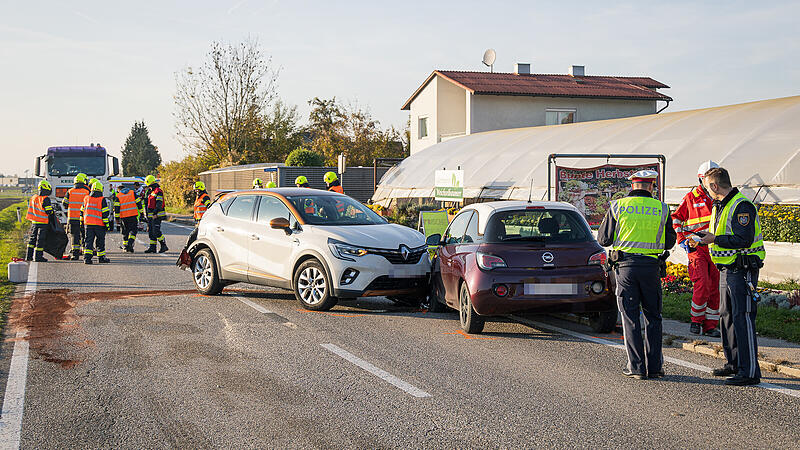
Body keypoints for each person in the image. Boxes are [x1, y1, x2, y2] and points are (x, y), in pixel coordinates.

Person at [597, 170, 676, 380]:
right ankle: (656, 367)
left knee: (630, 317)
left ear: (632, 185)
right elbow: (669, 242)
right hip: (651, 267)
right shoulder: (662, 208)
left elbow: (603, 239)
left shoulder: (618, 206)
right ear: (652, 186)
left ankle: (637, 368)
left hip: (626, 268)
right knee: (654, 317)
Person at [699, 167, 765, 386]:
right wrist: (705, 239)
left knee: (742, 317)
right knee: (726, 315)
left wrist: (714, 239)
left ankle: (750, 372)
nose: (705, 191)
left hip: (742, 269)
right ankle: (734, 363)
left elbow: (743, 239)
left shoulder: (741, 205)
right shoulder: (721, 205)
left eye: (706, 186)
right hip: (727, 269)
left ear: (714, 186)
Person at [672, 161, 721, 337]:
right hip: (697, 247)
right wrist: (682, 240)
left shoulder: (721, 196)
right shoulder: (691, 198)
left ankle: (711, 326)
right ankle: (696, 321)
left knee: (715, 286)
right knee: (702, 284)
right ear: (701, 180)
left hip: (716, 247)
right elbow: (676, 219)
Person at [81, 181, 111, 264]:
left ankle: (87, 259)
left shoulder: (86, 198)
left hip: (88, 224)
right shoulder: (102, 200)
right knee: (100, 241)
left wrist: (81, 222)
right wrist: (107, 225)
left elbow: (82, 211)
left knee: (88, 241)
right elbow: (105, 214)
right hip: (99, 225)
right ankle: (101, 258)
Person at [25, 180, 55, 262]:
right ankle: (38, 257)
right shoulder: (45, 199)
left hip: (34, 222)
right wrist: (52, 210)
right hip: (43, 223)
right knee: (40, 241)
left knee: (32, 239)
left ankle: (28, 256)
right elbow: (49, 211)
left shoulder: (33, 197)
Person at [62, 173, 90, 260]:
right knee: (85, 235)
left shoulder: (70, 191)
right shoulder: (86, 192)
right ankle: (86, 254)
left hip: (72, 218)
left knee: (74, 236)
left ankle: (75, 255)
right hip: (84, 218)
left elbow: (64, 203)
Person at [113, 184, 144, 253]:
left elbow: (117, 208)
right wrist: (141, 213)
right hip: (133, 215)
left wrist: (117, 218)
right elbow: (139, 203)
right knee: (134, 231)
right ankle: (130, 243)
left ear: (119, 190)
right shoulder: (132, 193)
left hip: (123, 217)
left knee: (125, 232)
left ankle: (126, 246)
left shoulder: (118, 196)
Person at [143, 175, 168, 253]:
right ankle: (152, 247)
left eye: (149, 186)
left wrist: (155, 213)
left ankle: (163, 245)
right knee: (151, 232)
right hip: (151, 216)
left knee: (156, 231)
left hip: (157, 215)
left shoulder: (158, 191)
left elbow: (159, 203)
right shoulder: (152, 191)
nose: (148, 188)